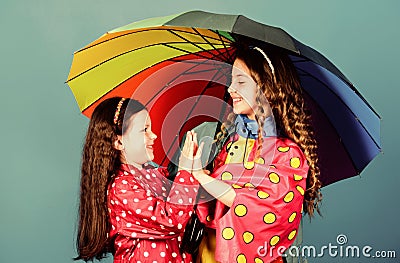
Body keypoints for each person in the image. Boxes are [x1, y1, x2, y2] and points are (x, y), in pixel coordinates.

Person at [188, 43, 322, 263]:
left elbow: (261, 209)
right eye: (232, 81)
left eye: (240, 82)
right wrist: (193, 173)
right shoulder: (226, 143)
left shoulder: (287, 154)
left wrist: (201, 177)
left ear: (264, 89)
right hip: (207, 254)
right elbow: (208, 207)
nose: (231, 89)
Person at [75, 97, 201, 262]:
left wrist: (195, 171)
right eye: (144, 130)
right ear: (119, 142)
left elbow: (188, 203)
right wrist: (185, 172)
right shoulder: (121, 189)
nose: (154, 135)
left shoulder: (158, 175)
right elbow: (173, 220)